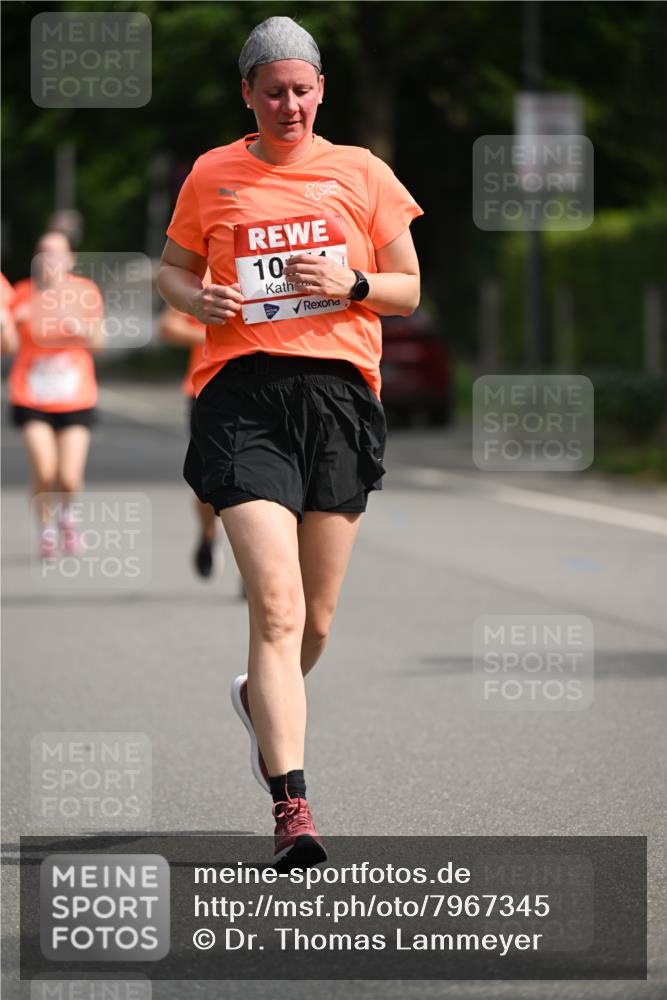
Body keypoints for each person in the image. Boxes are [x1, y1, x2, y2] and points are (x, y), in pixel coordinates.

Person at [158, 16, 422, 869]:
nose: (288, 104)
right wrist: (194, 302)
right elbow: (171, 267)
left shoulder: (360, 173)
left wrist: (349, 282)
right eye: (272, 90)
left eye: (301, 89)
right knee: (273, 606)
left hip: (340, 399)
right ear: (248, 94)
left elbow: (407, 288)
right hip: (242, 397)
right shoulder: (214, 173)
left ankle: (255, 698)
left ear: (320, 91)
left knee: (315, 619)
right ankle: (293, 808)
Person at [7, 231, 105, 557]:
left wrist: (79, 326)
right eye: (44, 253)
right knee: (45, 470)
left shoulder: (85, 292)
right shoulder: (21, 293)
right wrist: (10, 323)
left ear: (71, 259)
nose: (51, 260)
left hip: (75, 396)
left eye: (57, 253)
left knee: (69, 477)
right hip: (30, 395)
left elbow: (100, 341)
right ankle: (46, 529)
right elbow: (7, 345)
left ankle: (67, 516)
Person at [159, 275, 219, 578]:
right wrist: (215, 334)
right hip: (206, 391)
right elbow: (169, 327)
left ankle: (255, 567)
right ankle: (208, 534)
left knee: (263, 488)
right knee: (208, 485)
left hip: (269, 391)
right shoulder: (204, 276)